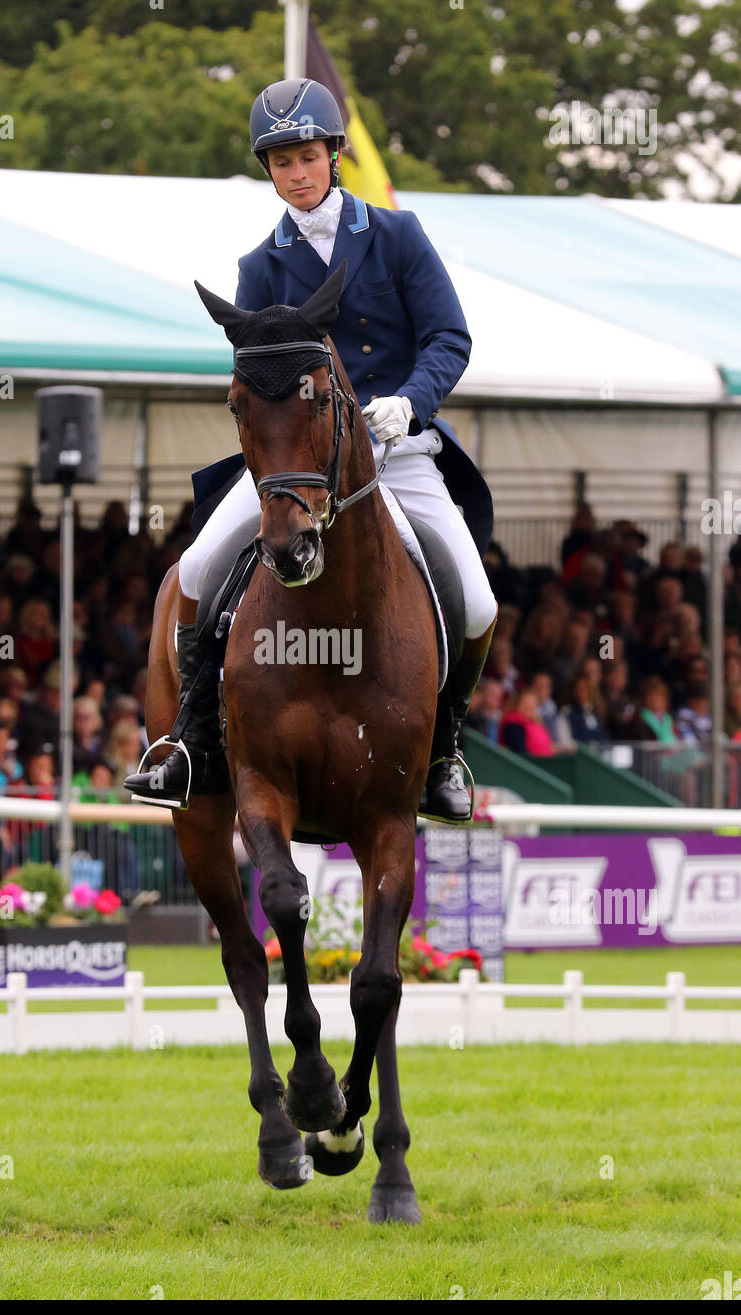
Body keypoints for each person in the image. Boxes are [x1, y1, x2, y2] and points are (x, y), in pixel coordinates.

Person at [126, 78, 497, 823]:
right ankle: (191, 740)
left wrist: (410, 401)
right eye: (280, 162)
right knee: (197, 568)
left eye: (306, 157)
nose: (296, 174)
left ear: (333, 153)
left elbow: (449, 337)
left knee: (479, 602)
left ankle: (442, 751)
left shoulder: (398, 236)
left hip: (399, 452)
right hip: (298, 465)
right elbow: (258, 377)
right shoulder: (260, 267)